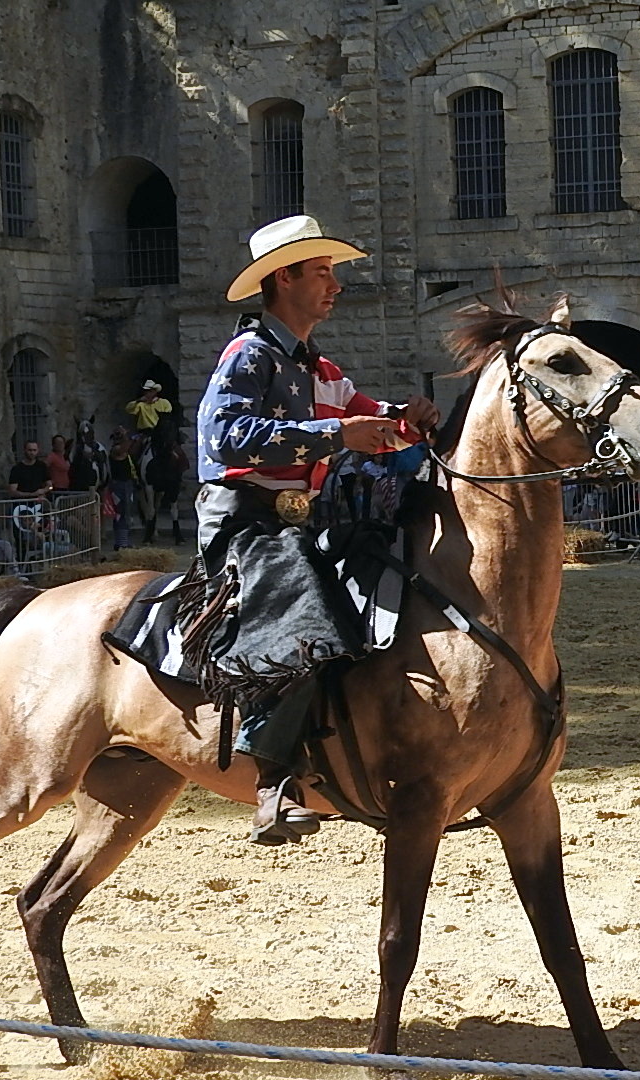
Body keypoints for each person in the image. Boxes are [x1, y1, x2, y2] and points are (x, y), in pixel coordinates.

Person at [198, 214, 439, 845]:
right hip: (246, 520)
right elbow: (223, 439)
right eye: (322, 272)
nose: (335, 285)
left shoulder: (322, 369)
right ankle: (273, 780)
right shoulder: (247, 356)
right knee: (302, 616)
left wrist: (410, 420)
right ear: (283, 279)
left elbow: (372, 418)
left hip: (306, 523)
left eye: (334, 272)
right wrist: (337, 435)